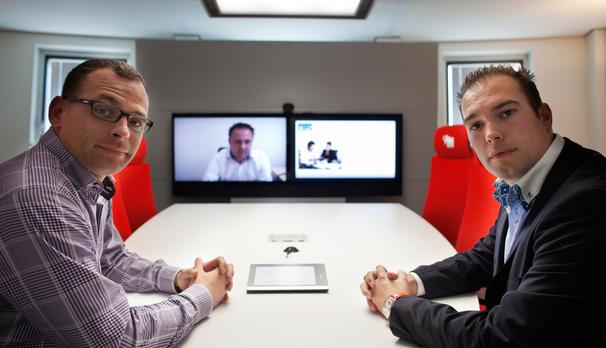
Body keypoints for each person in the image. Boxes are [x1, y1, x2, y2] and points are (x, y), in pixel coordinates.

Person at [360, 66, 606, 347]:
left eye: (506, 113)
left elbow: (498, 338)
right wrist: (410, 281)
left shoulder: (586, 201)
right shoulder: (526, 177)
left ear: (544, 116)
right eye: (475, 125)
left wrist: (394, 303)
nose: (491, 134)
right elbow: (485, 258)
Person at [0, 59, 234, 347]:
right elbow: (114, 336)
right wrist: (202, 295)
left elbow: (111, 261)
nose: (123, 131)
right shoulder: (40, 197)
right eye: (104, 110)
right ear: (58, 112)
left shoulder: (87, 179)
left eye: (135, 121)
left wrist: (181, 278)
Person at [202, 122, 272, 181]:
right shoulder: (218, 158)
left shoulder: (261, 158)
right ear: (229, 141)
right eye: (238, 142)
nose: (242, 147)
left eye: (247, 142)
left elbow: (266, 189)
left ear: (252, 142)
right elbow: (207, 184)